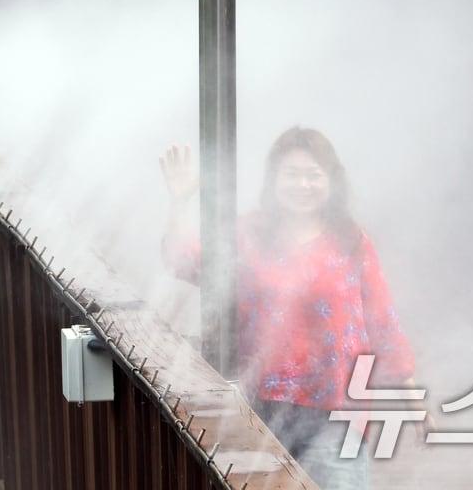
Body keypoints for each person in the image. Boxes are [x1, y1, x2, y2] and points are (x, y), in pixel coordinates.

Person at [159, 126, 418, 490]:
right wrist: (180, 201)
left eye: (313, 175)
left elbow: (382, 318)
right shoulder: (248, 234)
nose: (302, 185)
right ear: (273, 180)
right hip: (263, 406)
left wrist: (410, 393)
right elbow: (184, 261)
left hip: (338, 408)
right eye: (291, 175)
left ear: (331, 182)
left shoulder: (351, 241)